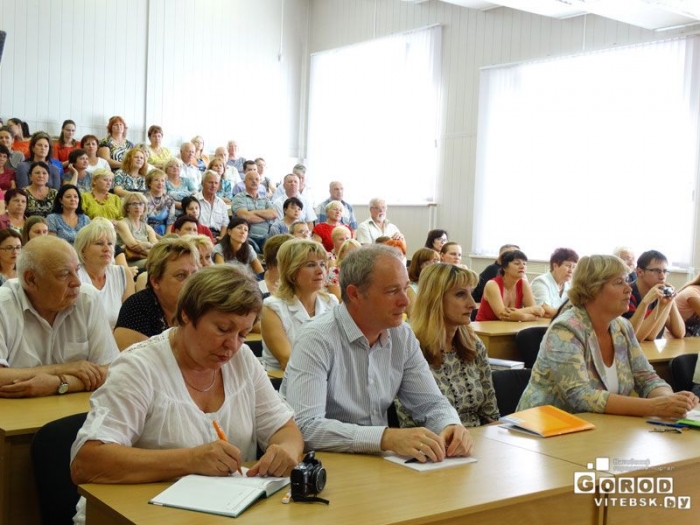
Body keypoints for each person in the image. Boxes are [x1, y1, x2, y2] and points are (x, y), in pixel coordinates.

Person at [70, 265, 303, 525]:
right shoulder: (139, 367)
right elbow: (87, 463)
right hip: (131, 516)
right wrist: (190, 459)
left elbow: (285, 428)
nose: (232, 345)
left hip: (216, 513)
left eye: (243, 334)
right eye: (223, 329)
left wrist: (286, 451)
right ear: (186, 316)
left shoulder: (243, 360)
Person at [282, 245, 473, 461]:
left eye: (405, 288)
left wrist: (450, 424)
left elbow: (431, 403)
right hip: (327, 464)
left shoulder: (402, 335)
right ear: (354, 294)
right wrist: (385, 438)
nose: (406, 301)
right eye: (392, 291)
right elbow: (305, 426)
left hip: (378, 464)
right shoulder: (316, 338)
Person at [517, 255, 699, 418]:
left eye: (627, 281)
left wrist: (672, 401)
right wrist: (654, 406)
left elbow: (647, 378)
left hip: (597, 431)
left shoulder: (622, 327)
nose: (629, 288)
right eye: (619, 282)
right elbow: (580, 397)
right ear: (593, 289)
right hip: (544, 431)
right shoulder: (565, 329)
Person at [0, 236, 119, 398]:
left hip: (75, 412)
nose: (77, 282)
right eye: (64, 274)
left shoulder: (87, 298)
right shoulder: (4, 305)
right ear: (31, 279)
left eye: (77, 270)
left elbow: (111, 370)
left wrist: (59, 383)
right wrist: (62, 369)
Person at [398, 263, 499, 427]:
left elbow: (491, 414)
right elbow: (409, 425)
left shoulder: (474, 345)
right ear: (435, 300)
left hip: (479, 441)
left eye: (471, 294)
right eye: (460, 295)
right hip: (435, 444)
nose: (472, 304)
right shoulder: (411, 349)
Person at [261, 240, 338, 371]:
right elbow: (288, 361)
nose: (320, 271)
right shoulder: (272, 307)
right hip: (284, 383)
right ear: (292, 271)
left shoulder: (331, 302)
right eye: (311, 265)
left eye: (323, 264)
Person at [113, 237, 199, 350]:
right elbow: (138, 365)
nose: (191, 283)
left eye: (194, 274)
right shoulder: (137, 307)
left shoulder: (199, 307)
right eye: (180, 275)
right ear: (155, 281)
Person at [75, 218, 135, 329]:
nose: (107, 248)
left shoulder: (123, 274)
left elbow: (130, 320)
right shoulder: (74, 276)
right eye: (99, 243)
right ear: (83, 250)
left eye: (110, 243)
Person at [622, 250, 685, 341]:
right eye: (657, 271)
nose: (662, 277)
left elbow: (680, 333)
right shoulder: (627, 294)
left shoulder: (659, 293)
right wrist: (662, 305)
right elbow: (640, 337)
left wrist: (671, 301)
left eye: (665, 271)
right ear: (640, 272)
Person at [475, 249, 544, 322]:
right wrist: (531, 309)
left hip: (510, 328)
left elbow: (537, 314)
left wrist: (522, 317)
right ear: (505, 268)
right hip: (485, 330)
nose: (522, 266)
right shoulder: (492, 285)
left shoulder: (524, 283)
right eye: (517, 263)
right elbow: (502, 315)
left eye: (524, 264)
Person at [231, 171, 276, 253]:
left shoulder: (265, 199)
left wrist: (252, 212)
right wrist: (265, 217)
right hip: (246, 237)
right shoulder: (239, 197)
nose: (254, 181)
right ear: (244, 182)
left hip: (265, 237)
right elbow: (246, 217)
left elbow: (273, 214)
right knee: (252, 249)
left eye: (257, 179)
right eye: (251, 179)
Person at [531, 248, 579, 317]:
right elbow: (545, 310)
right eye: (568, 266)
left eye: (574, 267)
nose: (571, 271)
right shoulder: (541, 282)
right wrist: (570, 314)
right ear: (555, 266)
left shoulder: (570, 284)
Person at [115, 192, 158, 266]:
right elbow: (133, 246)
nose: (138, 207)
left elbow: (157, 247)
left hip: (147, 259)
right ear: (127, 208)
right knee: (157, 264)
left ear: (144, 207)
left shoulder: (148, 227)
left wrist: (146, 245)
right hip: (128, 261)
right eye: (134, 204)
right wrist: (151, 249)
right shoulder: (122, 224)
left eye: (141, 204)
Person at [406, 248, 441, 317]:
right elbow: (414, 317)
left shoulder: (439, 287)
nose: (433, 266)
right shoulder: (411, 290)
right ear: (418, 267)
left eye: (436, 262)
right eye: (427, 263)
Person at [196, 171, 229, 240]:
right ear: (202, 183)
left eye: (216, 183)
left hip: (217, 236)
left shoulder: (221, 203)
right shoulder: (194, 200)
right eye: (210, 182)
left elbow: (225, 224)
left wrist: (221, 238)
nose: (213, 186)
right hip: (200, 236)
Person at [144, 169, 176, 236]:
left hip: (163, 233)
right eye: (156, 180)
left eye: (162, 180)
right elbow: (142, 222)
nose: (160, 183)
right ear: (149, 183)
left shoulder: (170, 201)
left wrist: (166, 239)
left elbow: (170, 223)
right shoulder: (143, 198)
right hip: (145, 231)